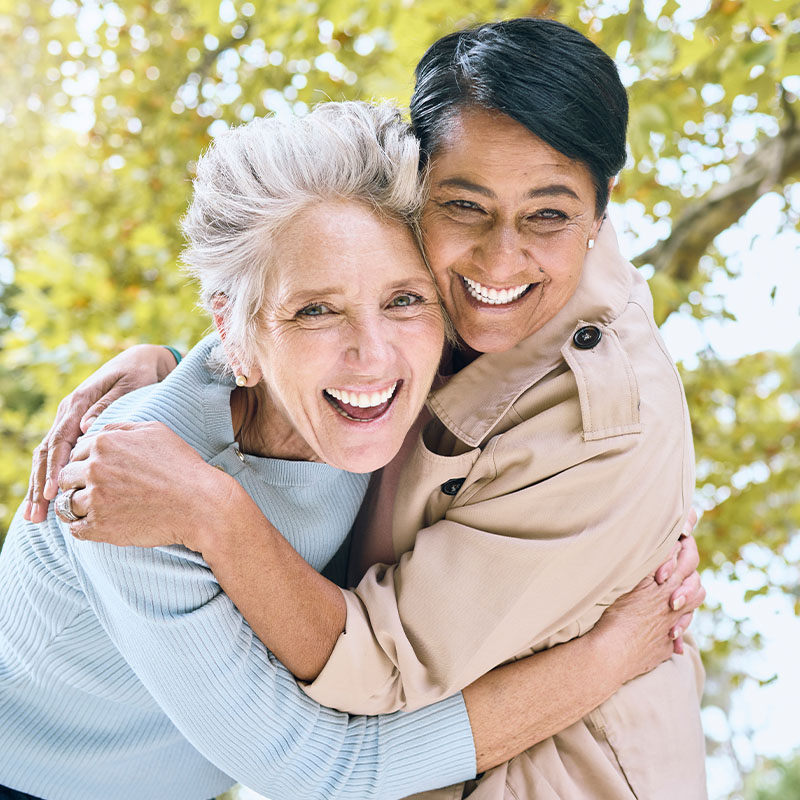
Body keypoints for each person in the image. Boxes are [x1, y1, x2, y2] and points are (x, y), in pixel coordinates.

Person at [1, 100, 700, 800]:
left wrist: (164, 356)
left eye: (405, 300)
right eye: (317, 310)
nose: (373, 358)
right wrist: (606, 660)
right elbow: (327, 770)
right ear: (234, 330)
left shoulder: (399, 395)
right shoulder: (134, 494)